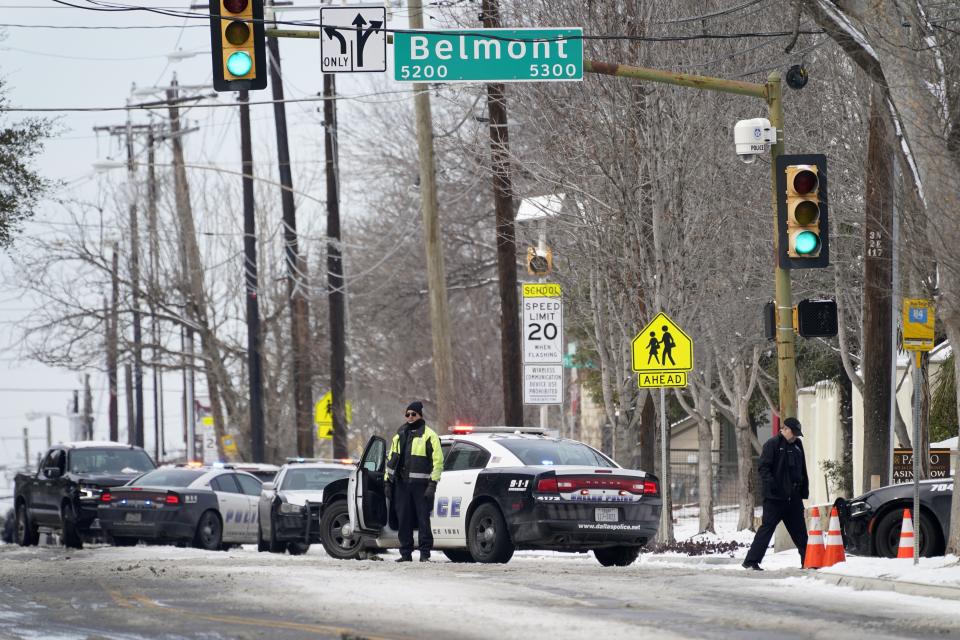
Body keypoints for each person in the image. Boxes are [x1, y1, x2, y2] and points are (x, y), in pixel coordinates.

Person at [742, 417, 809, 570]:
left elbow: (802, 469)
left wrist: (802, 489)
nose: (795, 436)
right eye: (793, 433)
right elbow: (763, 469)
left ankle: (808, 561)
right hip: (775, 499)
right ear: (784, 429)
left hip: (794, 498)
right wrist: (773, 486)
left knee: (800, 532)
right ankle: (751, 561)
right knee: (766, 529)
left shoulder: (798, 445)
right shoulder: (772, 445)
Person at [384, 401, 443, 562]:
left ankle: (425, 554)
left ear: (420, 415)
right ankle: (405, 554)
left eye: (413, 414)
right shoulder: (399, 435)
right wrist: (387, 482)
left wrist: (433, 484)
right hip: (401, 485)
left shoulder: (429, 435)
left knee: (423, 520)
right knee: (404, 520)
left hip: (421, 487)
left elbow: (438, 463)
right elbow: (391, 461)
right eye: (407, 414)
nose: (410, 417)